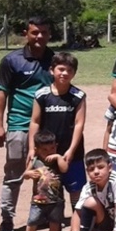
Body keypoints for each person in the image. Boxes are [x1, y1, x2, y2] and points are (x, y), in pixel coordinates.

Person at [0, 16, 54, 231]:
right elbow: (1, 92)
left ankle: (40, 215)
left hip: (48, 127)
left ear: (50, 34)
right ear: (26, 33)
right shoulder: (12, 60)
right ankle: (7, 220)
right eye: (34, 32)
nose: (39, 36)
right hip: (19, 124)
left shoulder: (54, 59)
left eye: (43, 32)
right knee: (14, 174)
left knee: (45, 173)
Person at [28, 52, 86, 209]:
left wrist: (72, 150)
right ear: (52, 70)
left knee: (76, 190)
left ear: (74, 73)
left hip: (71, 152)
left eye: (69, 70)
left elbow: (79, 124)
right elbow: (35, 121)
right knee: (47, 186)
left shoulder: (78, 96)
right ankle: (51, 220)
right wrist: (32, 149)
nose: (65, 73)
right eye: (61, 69)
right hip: (46, 152)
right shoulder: (41, 94)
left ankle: (78, 220)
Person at [67, 149, 116, 231]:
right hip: (106, 220)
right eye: (91, 169)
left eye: (100, 167)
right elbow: (77, 212)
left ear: (109, 167)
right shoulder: (88, 187)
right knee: (90, 202)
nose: (96, 172)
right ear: (87, 172)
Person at [21, 130, 67, 231]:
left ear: (56, 146)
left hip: (56, 199)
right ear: (37, 149)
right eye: (44, 150)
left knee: (55, 221)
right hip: (38, 199)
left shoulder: (57, 160)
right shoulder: (35, 161)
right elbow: (25, 175)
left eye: (52, 148)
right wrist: (29, 173)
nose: (49, 152)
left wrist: (58, 156)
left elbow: (64, 169)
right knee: (33, 220)